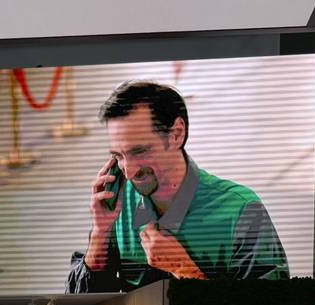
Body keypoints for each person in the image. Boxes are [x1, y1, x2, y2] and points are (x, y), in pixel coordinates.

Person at [66, 81, 288, 293]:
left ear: (176, 134)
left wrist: (184, 269)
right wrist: (100, 233)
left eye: (140, 151)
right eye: (118, 156)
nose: (129, 171)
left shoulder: (241, 211)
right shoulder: (117, 203)